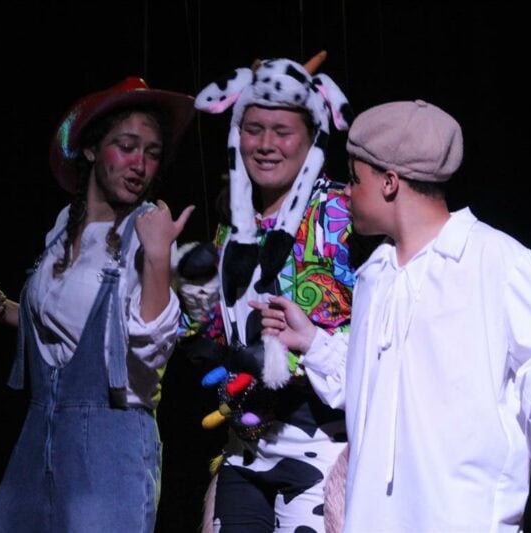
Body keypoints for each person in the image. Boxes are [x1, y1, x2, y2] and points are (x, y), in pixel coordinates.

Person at [255, 100, 531, 531]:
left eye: (355, 179)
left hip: (459, 516)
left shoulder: (497, 261)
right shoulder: (375, 275)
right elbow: (375, 392)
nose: (347, 192)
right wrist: (312, 341)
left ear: (389, 183)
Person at [0, 76, 195, 532]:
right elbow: (76, 322)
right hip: (39, 436)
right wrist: (12, 310)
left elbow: (148, 352)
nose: (139, 164)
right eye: (126, 147)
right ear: (91, 149)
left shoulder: (147, 231)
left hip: (110, 446)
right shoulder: (63, 229)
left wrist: (157, 259)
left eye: (152, 153)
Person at [177, 52, 356, 532]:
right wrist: (187, 293)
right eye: (254, 129)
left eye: (282, 131)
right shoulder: (235, 229)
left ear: (312, 138)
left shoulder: (343, 213)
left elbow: (382, 331)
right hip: (246, 447)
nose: (265, 144)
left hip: (324, 446)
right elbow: (216, 337)